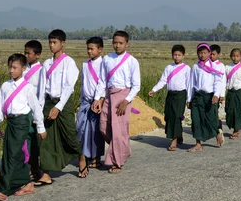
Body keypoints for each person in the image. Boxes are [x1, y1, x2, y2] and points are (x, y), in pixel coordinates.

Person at [0, 54, 47, 201]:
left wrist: (41, 127)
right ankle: (26, 182)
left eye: (15, 67)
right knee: (10, 154)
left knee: (14, 154)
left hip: (22, 123)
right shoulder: (5, 86)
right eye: (10, 67)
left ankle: (5, 189)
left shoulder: (28, 88)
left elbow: (35, 108)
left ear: (23, 69)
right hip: (10, 123)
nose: (11, 70)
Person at [36, 29, 85, 185]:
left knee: (69, 134)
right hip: (48, 102)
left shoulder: (69, 62)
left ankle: (81, 155)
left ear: (62, 43)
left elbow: (69, 87)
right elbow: (42, 89)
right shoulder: (46, 63)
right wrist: (39, 110)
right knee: (45, 137)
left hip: (63, 103)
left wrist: (58, 107)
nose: (52, 45)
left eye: (55, 42)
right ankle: (46, 172)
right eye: (50, 42)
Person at [93, 31, 141, 171]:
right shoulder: (107, 59)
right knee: (103, 125)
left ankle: (117, 162)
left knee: (118, 129)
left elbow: (136, 85)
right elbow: (102, 80)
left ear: (127, 44)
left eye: (121, 43)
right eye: (115, 42)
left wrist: (126, 101)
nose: (117, 45)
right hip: (109, 94)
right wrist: (98, 99)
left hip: (123, 95)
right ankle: (123, 148)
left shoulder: (132, 61)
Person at [149, 44, 190, 151]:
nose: (176, 57)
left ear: (183, 56)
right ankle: (179, 135)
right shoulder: (169, 67)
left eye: (179, 55)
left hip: (181, 95)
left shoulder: (186, 69)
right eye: (175, 55)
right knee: (168, 116)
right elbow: (163, 81)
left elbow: (189, 84)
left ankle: (174, 140)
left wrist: (189, 99)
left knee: (176, 116)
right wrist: (154, 89)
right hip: (170, 95)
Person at [185, 43, 225, 152]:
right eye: (200, 52)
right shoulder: (195, 67)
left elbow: (218, 82)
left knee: (211, 119)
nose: (202, 55)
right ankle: (198, 144)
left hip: (210, 97)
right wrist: (189, 99)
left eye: (204, 52)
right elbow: (191, 84)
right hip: (198, 97)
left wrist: (217, 94)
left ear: (209, 53)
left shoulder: (214, 67)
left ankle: (217, 133)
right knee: (196, 120)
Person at [77, 37, 105, 166]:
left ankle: (96, 157)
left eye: (91, 49)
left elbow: (103, 84)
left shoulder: (104, 64)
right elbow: (84, 84)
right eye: (87, 48)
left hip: (97, 102)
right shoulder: (85, 65)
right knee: (82, 128)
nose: (89, 51)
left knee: (95, 131)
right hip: (85, 102)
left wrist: (99, 100)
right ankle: (85, 154)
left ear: (100, 50)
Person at [23, 39, 46, 179]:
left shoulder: (41, 70)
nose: (26, 56)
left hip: (34, 109)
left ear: (37, 55)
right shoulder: (22, 68)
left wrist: (39, 113)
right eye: (25, 53)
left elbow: (41, 93)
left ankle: (34, 166)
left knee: (32, 140)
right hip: (22, 109)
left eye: (29, 53)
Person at [224, 48, 241, 139]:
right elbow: (223, 82)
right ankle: (231, 125)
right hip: (230, 91)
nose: (235, 58)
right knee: (228, 109)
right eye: (233, 56)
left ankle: (236, 129)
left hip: (239, 91)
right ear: (230, 56)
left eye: (237, 56)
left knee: (237, 110)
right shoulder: (227, 67)